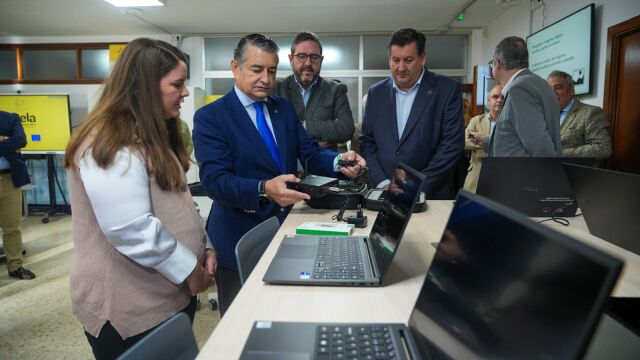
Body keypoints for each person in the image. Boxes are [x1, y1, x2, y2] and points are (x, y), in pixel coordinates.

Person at [192, 33, 366, 316]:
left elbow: (309, 153)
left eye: (271, 71)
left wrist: (338, 160)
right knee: (242, 322)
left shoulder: (282, 109)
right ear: (235, 68)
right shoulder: (211, 117)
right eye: (257, 70)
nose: (266, 78)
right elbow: (215, 182)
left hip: (285, 231)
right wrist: (263, 188)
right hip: (239, 237)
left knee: (285, 314)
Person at [63, 38, 215, 360]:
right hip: (129, 307)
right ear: (144, 87)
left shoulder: (153, 132)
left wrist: (206, 245)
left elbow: (179, 201)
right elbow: (131, 229)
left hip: (166, 294)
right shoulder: (110, 142)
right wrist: (191, 270)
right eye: (177, 84)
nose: (185, 92)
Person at [359, 28, 464, 199]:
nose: (401, 67)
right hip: (385, 194)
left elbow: (451, 146)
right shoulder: (375, 93)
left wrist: (416, 186)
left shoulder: (447, 90)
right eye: (396, 60)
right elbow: (367, 143)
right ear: (389, 59)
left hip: (431, 195)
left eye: (408, 60)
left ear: (422, 58)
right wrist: (382, 183)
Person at [478, 36, 561, 157]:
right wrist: (484, 140)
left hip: (524, 175)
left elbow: (540, 146)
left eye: (492, 63)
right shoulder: (540, 83)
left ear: (498, 63)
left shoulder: (520, 88)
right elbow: (516, 140)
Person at [274, 31, 354, 151]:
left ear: (321, 60)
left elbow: (346, 129)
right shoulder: (276, 88)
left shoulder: (336, 89)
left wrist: (302, 126)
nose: (308, 63)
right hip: (286, 167)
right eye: (301, 56)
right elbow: (273, 129)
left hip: (324, 167)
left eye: (314, 57)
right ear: (291, 59)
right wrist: (325, 133)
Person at [0, 110, 36, 280]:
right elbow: (15, 143)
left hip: (10, 179)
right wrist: (7, 142)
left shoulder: (10, 118)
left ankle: (15, 266)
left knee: (12, 227)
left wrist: (9, 141)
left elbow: (21, 140)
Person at [546, 70, 612, 159]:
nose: (553, 93)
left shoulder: (590, 113)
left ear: (571, 90)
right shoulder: (545, 115)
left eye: (558, 88)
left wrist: (560, 153)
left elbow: (603, 148)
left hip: (573, 171)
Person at [464, 85, 504, 192]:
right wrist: (490, 144)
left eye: (503, 97)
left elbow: (508, 145)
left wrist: (482, 139)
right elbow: (465, 142)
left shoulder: (510, 124)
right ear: (488, 100)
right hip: (476, 175)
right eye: (495, 97)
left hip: (502, 176)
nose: (499, 100)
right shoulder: (476, 120)